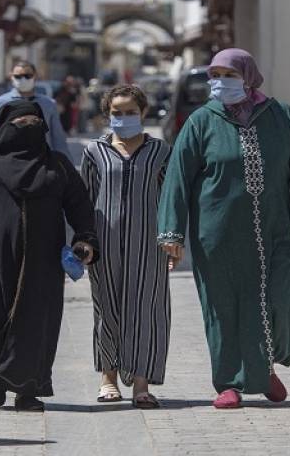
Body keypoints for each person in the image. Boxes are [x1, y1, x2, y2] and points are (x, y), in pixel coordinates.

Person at [158, 48, 290, 409]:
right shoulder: (202, 121)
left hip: (274, 229)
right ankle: (228, 381)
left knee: (280, 297)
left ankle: (264, 370)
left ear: (247, 76)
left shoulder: (282, 116)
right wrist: (172, 232)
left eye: (228, 75)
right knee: (223, 305)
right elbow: (178, 178)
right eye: (215, 75)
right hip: (217, 233)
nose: (219, 82)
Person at [0, 101, 98, 412]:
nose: (29, 125)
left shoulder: (58, 165)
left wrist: (85, 240)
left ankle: (28, 390)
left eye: (35, 121)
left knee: (35, 324)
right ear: (4, 126)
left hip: (41, 262)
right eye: (21, 121)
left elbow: (80, 206)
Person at [81, 85, 171, 409]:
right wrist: (83, 241)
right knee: (107, 310)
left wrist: (174, 238)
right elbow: (84, 200)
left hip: (149, 245)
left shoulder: (161, 152)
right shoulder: (94, 152)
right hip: (104, 245)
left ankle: (142, 384)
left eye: (130, 112)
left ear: (143, 113)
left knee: (147, 310)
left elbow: (172, 200)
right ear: (107, 115)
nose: (124, 118)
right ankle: (108, 379)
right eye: (117, 113)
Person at [0, 61, 70, 158]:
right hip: (7, 159)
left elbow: (58, 138)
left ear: (35, 76)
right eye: (18, 76)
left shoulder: (48, 104)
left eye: (27, 76)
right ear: (11, 77)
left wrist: (67, 166)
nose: (23, 79)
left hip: (40, 159)